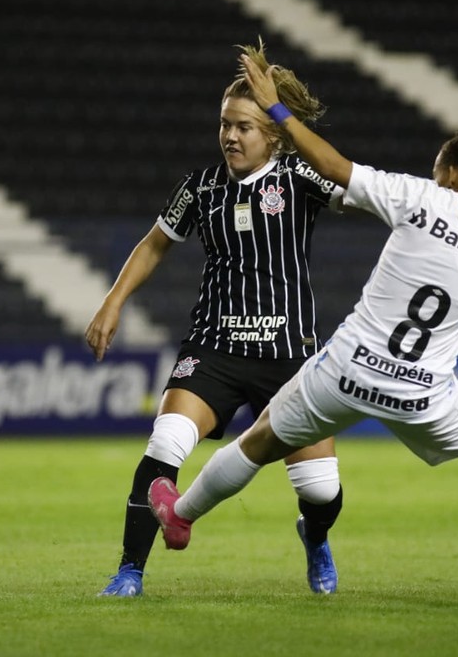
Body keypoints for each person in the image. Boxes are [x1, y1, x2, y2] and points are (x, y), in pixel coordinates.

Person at [148, 51, 458, 608]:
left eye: (439, 164)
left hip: (346, 369)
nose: (433, 172)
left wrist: (277, 109)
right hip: (422, 390)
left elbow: (331, 165)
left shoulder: (416, 197)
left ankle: (181, 515)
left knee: (258, 442)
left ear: (453, 173)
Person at [86, 42, 346, 597]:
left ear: (272, 135)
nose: (230, 136)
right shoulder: (200, 188)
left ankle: (314, 535)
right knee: (165, 444)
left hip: (289, 355)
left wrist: (286, 117)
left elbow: (354, 188)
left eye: (244, 127)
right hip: (215, 348)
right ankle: (129, 571)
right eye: (225, 124)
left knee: (322, 491)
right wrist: (113, 301)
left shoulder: (301, 176)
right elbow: (154, 244)